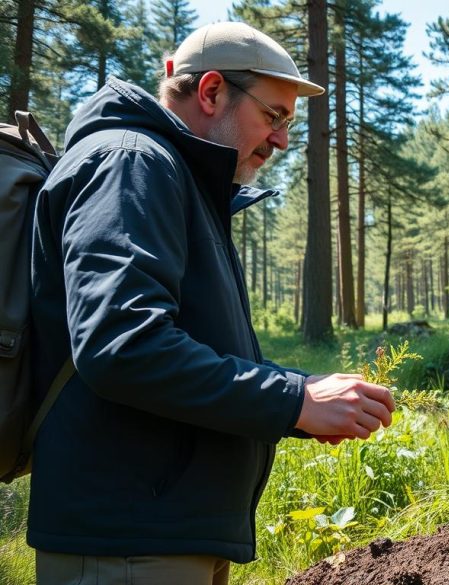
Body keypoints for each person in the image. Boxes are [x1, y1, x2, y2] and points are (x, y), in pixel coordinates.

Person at [28, 22, 395, 583]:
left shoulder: (175, 177)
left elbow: (180, 348)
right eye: (273, 117)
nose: (281, 141)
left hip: (161, 532)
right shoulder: (133, 163)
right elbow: (122, 346)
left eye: (288, 124)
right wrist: (292, 399)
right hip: (127, 543)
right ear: (211, 91)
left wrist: (308, 399)